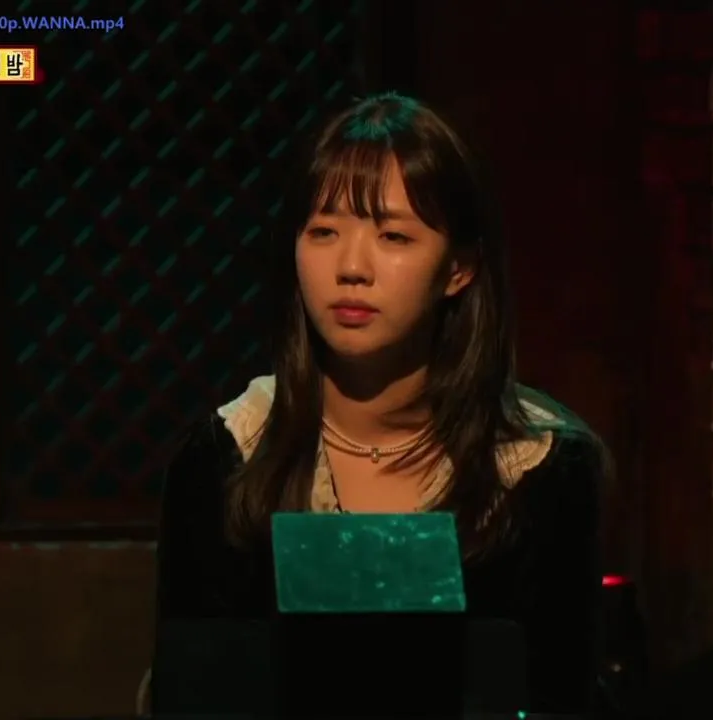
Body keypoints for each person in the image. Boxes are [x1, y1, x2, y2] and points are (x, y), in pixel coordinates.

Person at [152, 92, 606, 716]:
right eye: (324, 232)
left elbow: (558, 692)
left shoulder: (540, 469)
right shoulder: (226, 457)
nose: (351, 267)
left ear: (459, 268)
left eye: (392, 235)